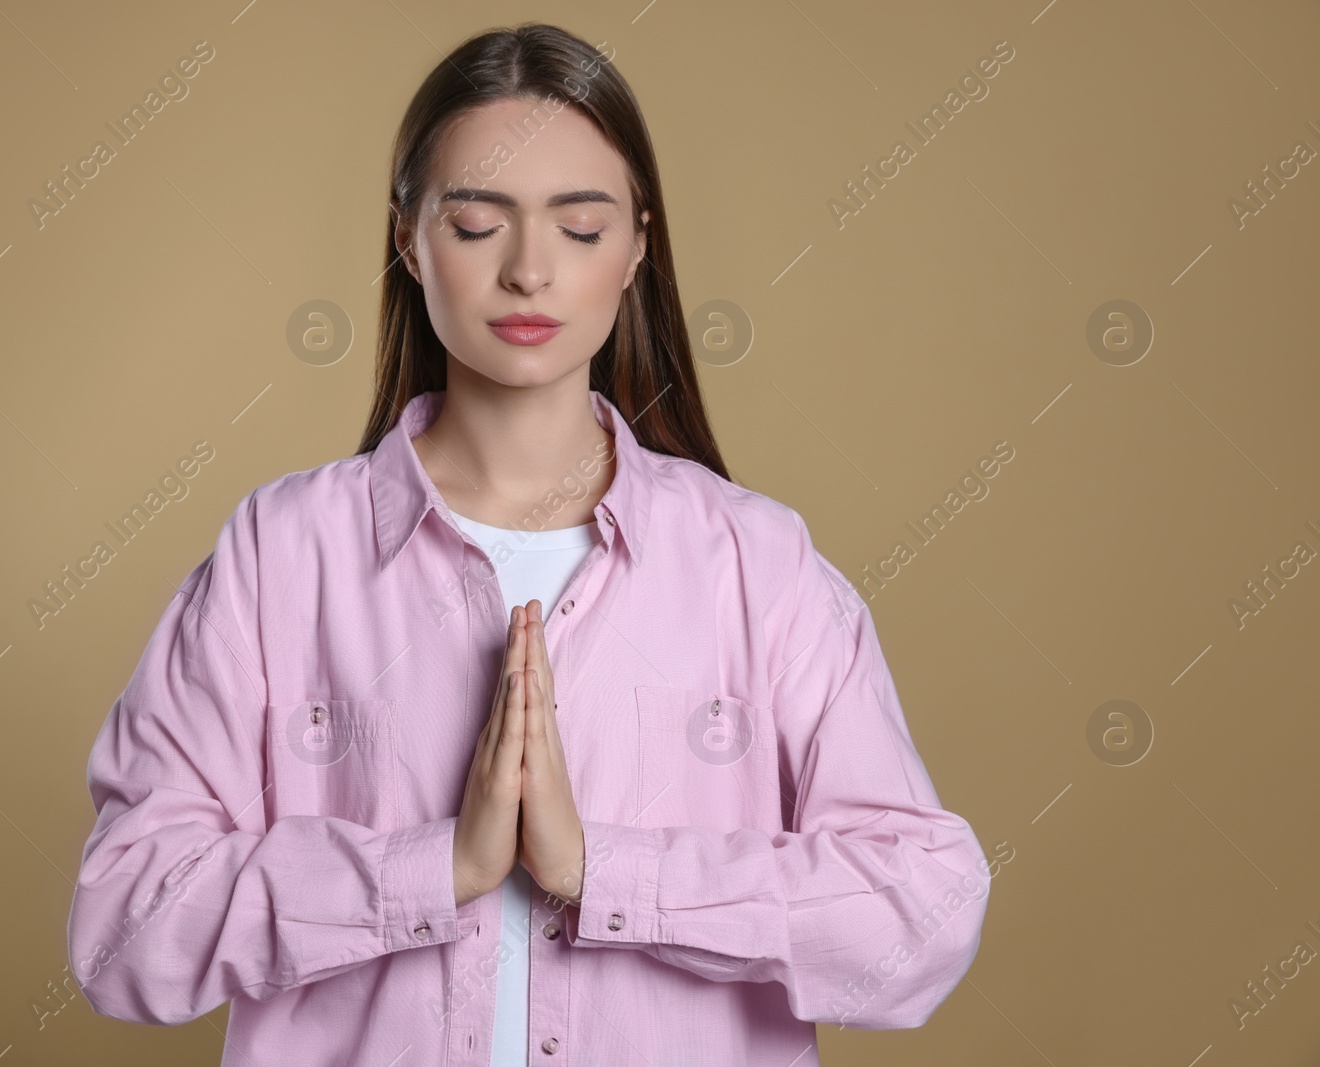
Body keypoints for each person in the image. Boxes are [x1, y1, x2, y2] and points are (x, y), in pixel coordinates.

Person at [66, 22, 990, 1067]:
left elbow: (922, 917)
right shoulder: (279, 558)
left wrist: (605, 872)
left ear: (638, 244)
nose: (529, 271)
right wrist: (429, 869)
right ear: (408, 239)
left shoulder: (756, 565)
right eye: (475, 224)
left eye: (581, 228)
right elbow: (122, 931)